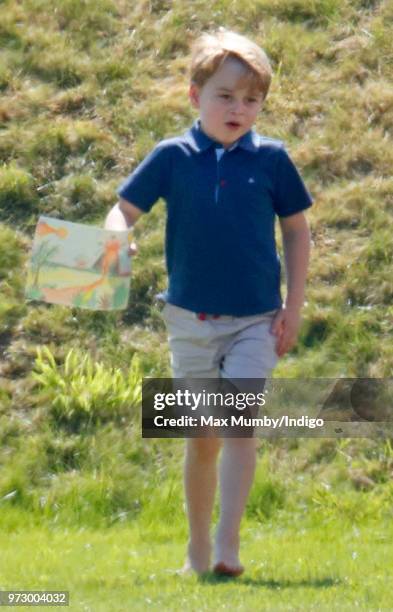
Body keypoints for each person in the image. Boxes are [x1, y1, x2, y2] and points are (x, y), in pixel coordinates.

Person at [105, 28, 312, 577]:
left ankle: (228, 547)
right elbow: (121, 212)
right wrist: (115, 237)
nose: (239, 109)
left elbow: (296, 231)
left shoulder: (272, 160)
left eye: (252, 99)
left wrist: (294, 305)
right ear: (195, 96)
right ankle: (197, 550)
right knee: (201, 438)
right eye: (226, 96)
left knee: (238, 425)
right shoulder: (172, 157)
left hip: (256, 322)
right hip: (189, 322)